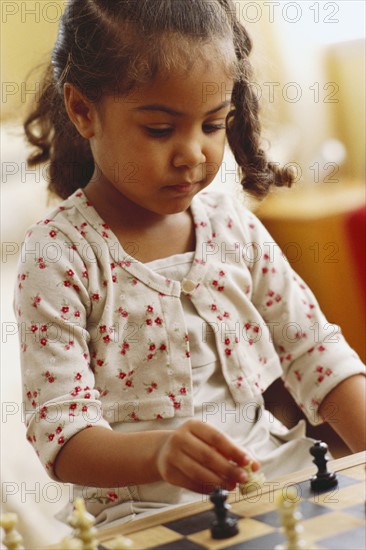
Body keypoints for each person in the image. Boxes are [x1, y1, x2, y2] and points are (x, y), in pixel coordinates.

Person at [16, 0, 365, 527]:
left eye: (213, 124)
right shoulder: (58, 254)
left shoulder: (234, 226)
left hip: (277, 486)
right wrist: (160, 454)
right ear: (83, 110)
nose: (194, 154)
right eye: (160, 129)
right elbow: (61, 436)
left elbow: (315, 351)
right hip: (143, 518)